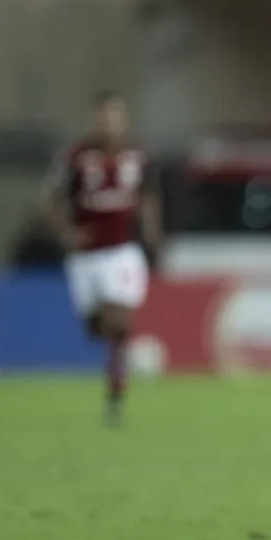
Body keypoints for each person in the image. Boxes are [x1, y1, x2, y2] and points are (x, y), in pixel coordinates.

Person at [42, 91, 163, 425]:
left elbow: (149, 197)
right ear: (94, 119)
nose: (109, 122)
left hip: (123, 252)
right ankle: (118, 367)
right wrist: (67, 233)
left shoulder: (139, 155)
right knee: (97, 328)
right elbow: (49, 201)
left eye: (115, 115)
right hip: (85, 259)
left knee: (119, 324)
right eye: (103, 115)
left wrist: (153, 235)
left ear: (124, 119)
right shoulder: (76, 157)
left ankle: (115, 399)